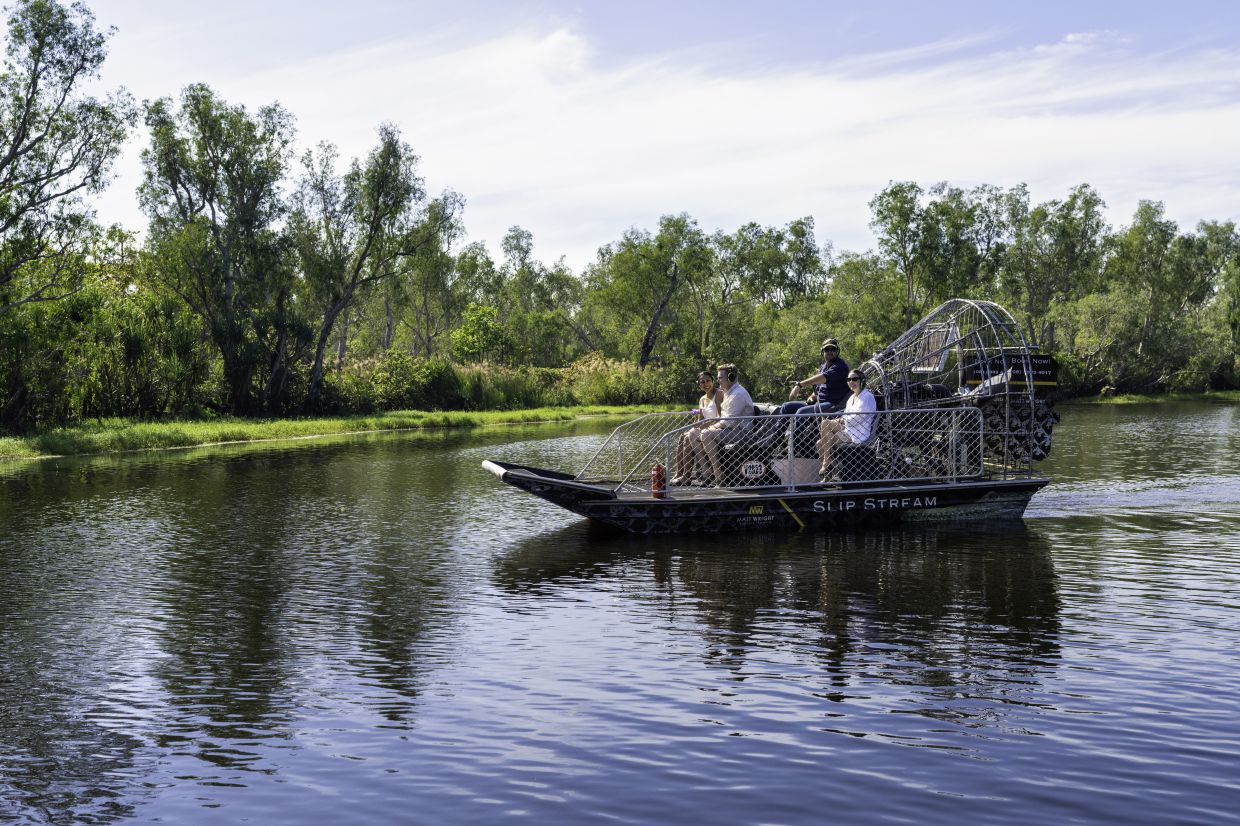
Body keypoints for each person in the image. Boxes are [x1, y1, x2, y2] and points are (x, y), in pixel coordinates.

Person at [690, 363, 754, 486]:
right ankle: (707, 472)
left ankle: (719, 475)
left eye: (720, 378)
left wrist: (711, 427)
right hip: (730, 430)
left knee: (706, 434)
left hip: (742, 433)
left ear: (730, 377)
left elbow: (729, 422)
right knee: (693, 433)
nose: (718, 381)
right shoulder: (728, 392)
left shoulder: (738, 394)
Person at [818, 369, 877, 479]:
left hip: (858, 433)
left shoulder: (867, 397)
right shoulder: (851, 398)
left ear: (862, 380)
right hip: (848, 429)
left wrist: (840, 420)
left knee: (823, 439)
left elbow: (858, 418)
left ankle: (827, 464)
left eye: (854, 379)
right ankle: (828, 472)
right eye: (848, 379)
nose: (851, 382)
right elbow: (846, 416)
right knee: (821, 437)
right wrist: (840, 420)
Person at [671, 371, 722, 485]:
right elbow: (700, 420)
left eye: (708, 381)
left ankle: (686, 476)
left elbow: (720, 418)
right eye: (702, 382)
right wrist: (695, 426)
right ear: (699, 385)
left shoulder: (719, 394)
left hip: (715, 428)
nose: (706, 384)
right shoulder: (702, 399)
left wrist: (703, 426)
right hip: (704, 429)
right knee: (683, 436)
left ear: (713, 381)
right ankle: (680, 473)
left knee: (688, 438)